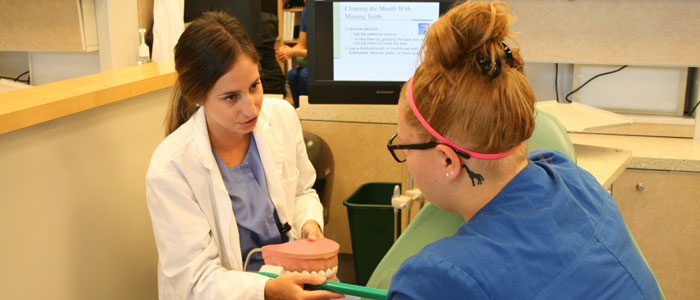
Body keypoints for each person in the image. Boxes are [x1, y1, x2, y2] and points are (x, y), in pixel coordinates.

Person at [386, 2, 662, 299]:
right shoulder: (574, 180)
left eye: (404, 145)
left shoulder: (436, 280)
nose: (405, 156)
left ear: (448, 160)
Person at [146, 11, 342, 300]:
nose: (251, 109)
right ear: (198, 96)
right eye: (230, 97)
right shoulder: (171, 168)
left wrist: (308, 225)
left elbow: (301, 191)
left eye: (255, 86)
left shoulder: (282, 117)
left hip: (289, 279)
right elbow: (196, 280)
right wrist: (268, 289)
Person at [276, 6, 308, 108]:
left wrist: (292, 52)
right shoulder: (306, 12)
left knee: (304, 75)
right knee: (292, 75)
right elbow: (301, 45)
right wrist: (286, 51)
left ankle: (307, 111)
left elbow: (321, 51)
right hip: (311, 63)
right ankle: (298, 111)